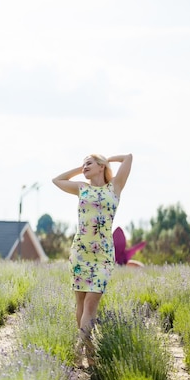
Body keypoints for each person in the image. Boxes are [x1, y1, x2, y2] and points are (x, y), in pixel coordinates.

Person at [52, 153, 133, 368]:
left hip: (103, 256)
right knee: (80, 303)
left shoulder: (114, 188)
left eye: (89, 163)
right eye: (83, 164)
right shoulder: (81, 188)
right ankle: (90, 355)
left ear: (101, 166)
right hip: (80, 253)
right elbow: (57, 180)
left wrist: (109, 158)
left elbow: (129, 158)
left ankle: (78, 350)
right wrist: (81, 169)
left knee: (90, 302)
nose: (84, 166)